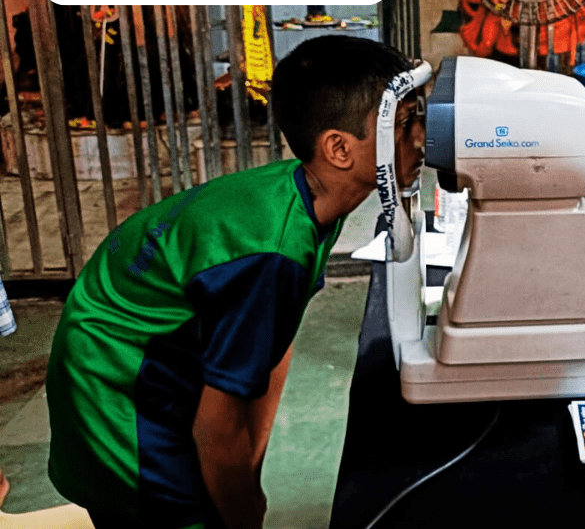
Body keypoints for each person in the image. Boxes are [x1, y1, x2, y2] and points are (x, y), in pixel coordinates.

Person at [45, 35, 430, 529]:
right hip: (114, 386)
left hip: (144, 356)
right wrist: (242, 511)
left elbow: (271, 346)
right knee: (184, 513)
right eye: (404, 123)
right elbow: (217, 426)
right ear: (338, 148)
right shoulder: (271, 252)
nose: (422, 137)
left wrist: (250, 473)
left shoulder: (306, 202)